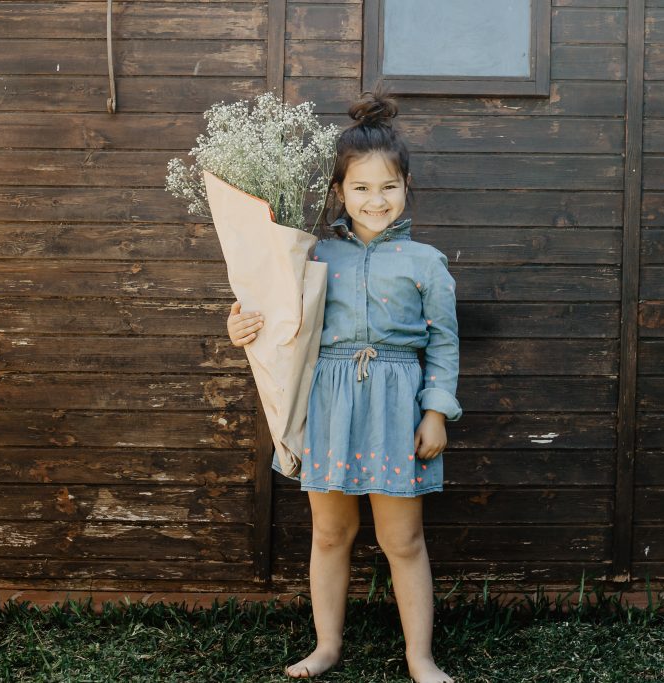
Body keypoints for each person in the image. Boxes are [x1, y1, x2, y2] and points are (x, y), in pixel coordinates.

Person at [226, 87, 461, 683]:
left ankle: (420, 656)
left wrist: (435, 412)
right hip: (329, 404)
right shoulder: (312, 256)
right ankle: (327, 645)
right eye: (361, 187)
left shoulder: (426, 263)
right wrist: (240, 323)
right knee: (331, 533)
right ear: (339, 191)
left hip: (395, 409)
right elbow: (277, 323)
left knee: (401, 539)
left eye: (388, 186)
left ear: (406, 186)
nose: (375, 199)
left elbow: (443, 343)